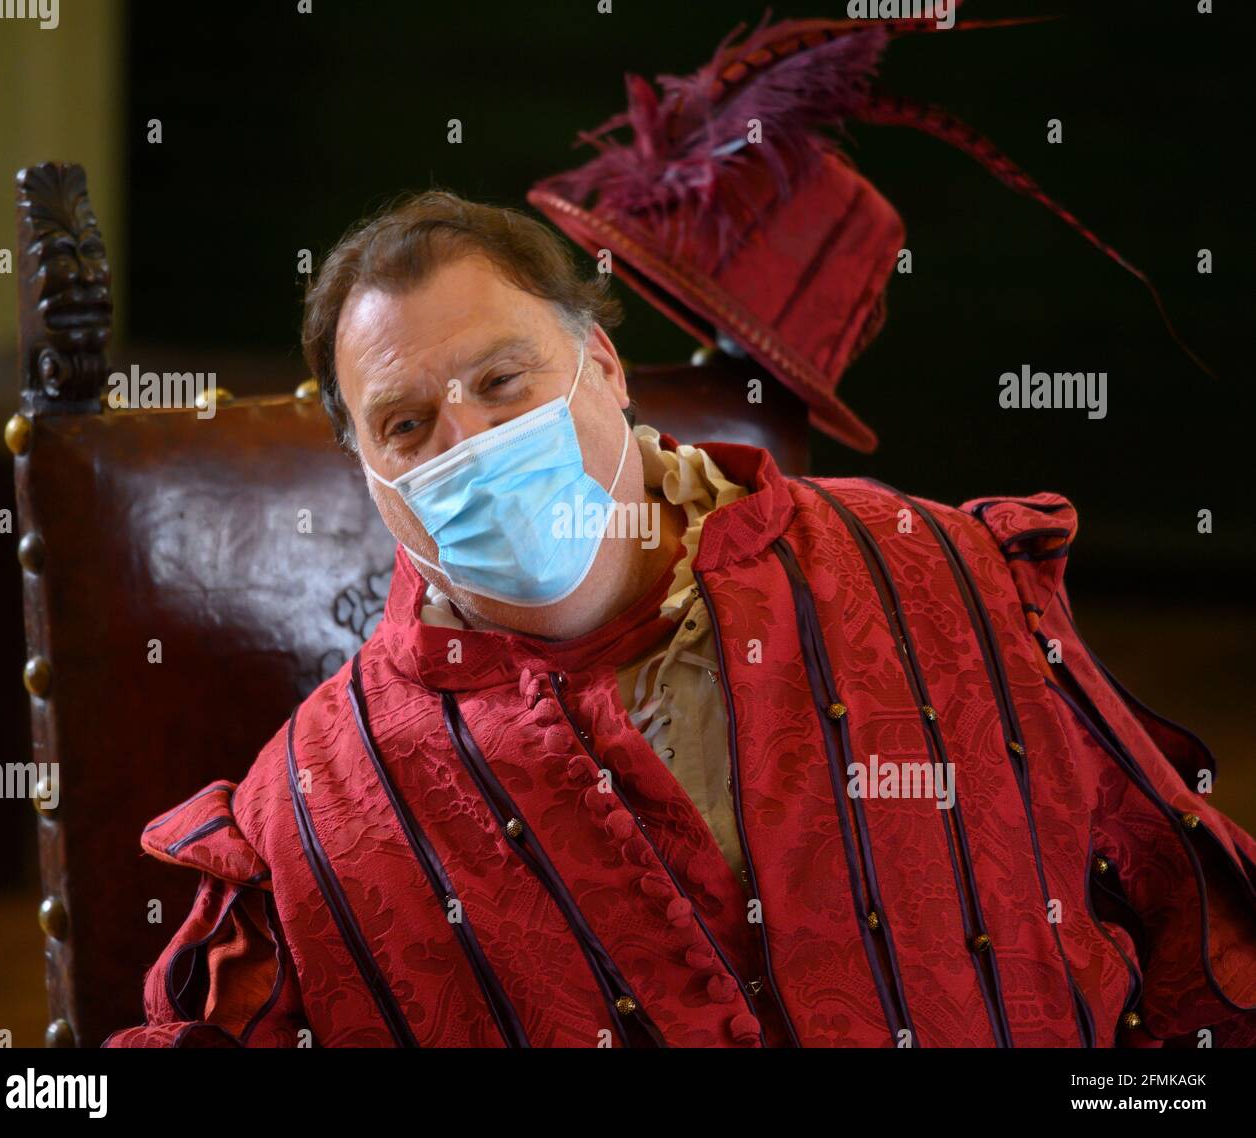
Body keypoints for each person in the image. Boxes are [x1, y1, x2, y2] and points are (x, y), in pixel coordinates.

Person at [103, 187, 1255, 1048]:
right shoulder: (313, 802)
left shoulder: (939, 574)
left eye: (504, 381)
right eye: (406, 425)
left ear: (603, 367)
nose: (470, 443)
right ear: (367, 474)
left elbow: (1192, 923)